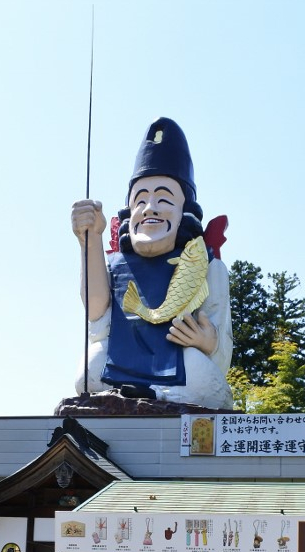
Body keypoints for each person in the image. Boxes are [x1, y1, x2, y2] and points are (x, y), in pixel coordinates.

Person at [70, 117, 234, 410]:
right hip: (120, 355)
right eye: (140, 200)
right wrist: (90, 241)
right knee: (87, 374)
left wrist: (209, 342)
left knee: (207, 381)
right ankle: (137, 394)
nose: (150, 209)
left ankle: (157, 397)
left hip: (177, 361)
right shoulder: (114, 263)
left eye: (164, 199)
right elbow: (96, 321)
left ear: (185, 211)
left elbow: (221, 345)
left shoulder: (207, 264)